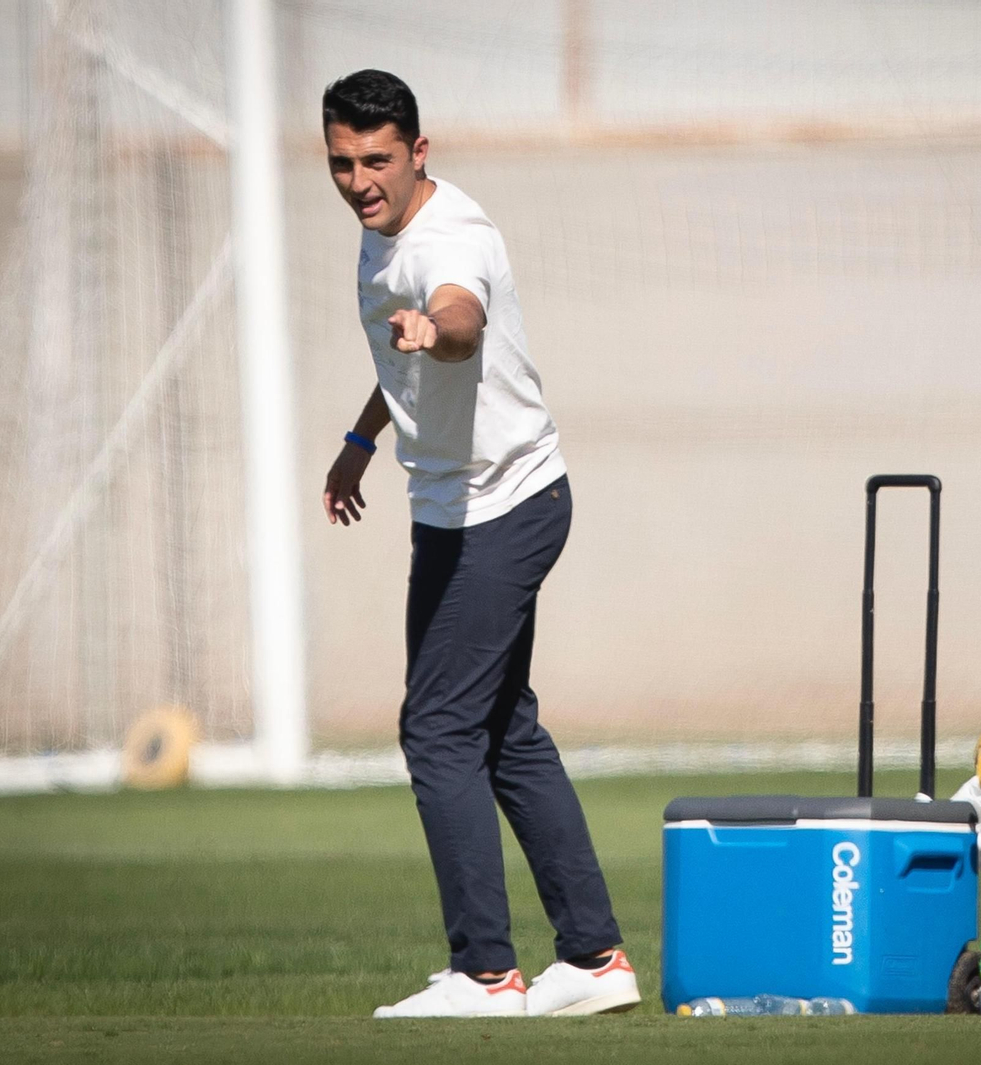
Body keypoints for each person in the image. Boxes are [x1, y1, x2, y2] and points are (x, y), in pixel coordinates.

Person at [319, 69, 638, 1019]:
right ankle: (593, 961)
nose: (359, 179)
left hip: (501, 509)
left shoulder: (449, 237)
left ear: (420, 152)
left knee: (437, 727)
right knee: (501, 728)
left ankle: (487, 972)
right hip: (458, 508)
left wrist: (436, 329)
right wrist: (361, 437)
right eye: (342, 162)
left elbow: (456, 320)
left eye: (377, 159)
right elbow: (405, 351)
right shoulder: (383, 235)